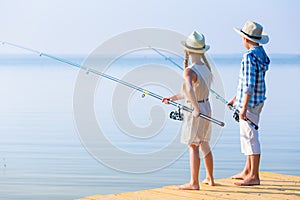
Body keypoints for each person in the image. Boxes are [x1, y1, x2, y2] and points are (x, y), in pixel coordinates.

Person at [162, 31, 214, 190]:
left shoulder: (189, 71)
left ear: (188, 51)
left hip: (195, 109)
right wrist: (173, 98)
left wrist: (196, 109)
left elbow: (190, 91)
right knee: (204, 143)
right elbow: (189, 93)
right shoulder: (206, 68)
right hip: (206, 106)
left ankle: (194, 183)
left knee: (193, 145)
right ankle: (210, 179)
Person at [227, 20, 270, 186]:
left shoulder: (248, 57)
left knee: (251, 137)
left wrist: (243, 107)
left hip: (250, 104)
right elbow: (247, 83)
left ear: (245, 39)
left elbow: (249, 84)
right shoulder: (262, 55)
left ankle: (254, 176)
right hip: (258, 101)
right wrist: (235, 99)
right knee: (247, 136)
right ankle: (247, 170)